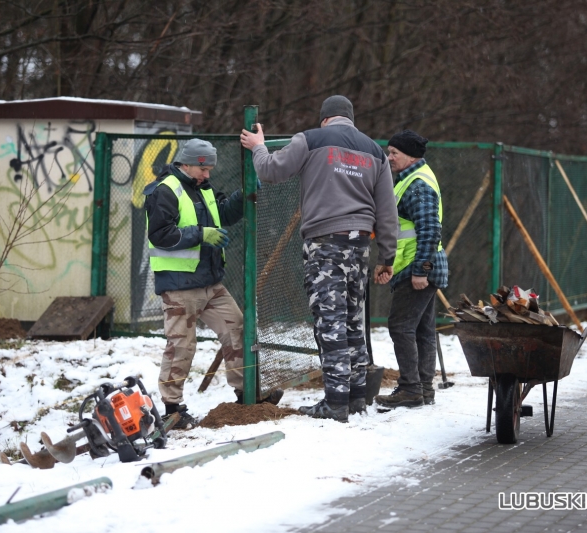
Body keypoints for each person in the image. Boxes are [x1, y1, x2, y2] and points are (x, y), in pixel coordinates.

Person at [240, 95, 398, 423]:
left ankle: (336, 402)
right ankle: (355, 398)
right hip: (359, 246)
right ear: (350, 119)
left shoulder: (310, 139)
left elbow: (271, 171)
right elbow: (387, 210)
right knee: (353, 319)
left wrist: (258, 146)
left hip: (325, 244)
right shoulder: (375, 151)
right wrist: (387, 256)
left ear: (325, 118)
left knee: (331, 322)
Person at [143, 139, 281, 429]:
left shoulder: (200, 188)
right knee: (181, 346)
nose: (207, 175)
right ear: (186, 163)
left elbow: (224, 213)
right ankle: (172, 411)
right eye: (203, 169)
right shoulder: (165, 190)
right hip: (180, 285)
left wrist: (245, 195)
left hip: (210, 282)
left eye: (209, 169)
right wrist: (200, 234)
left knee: (237, 330)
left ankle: (248, 394)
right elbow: (160, 234)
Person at [374, 130, 448, 409]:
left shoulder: (417, 184)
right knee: (422, 329)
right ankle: (423, 388)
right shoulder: (410, 179)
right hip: (412, 265)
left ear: (410, 155)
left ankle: (410, 389)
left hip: (419, 268)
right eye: (389, 151)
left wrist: (421, 270)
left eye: (394, 153)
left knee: (401, 326)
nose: (389, 157)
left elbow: (430, 229)